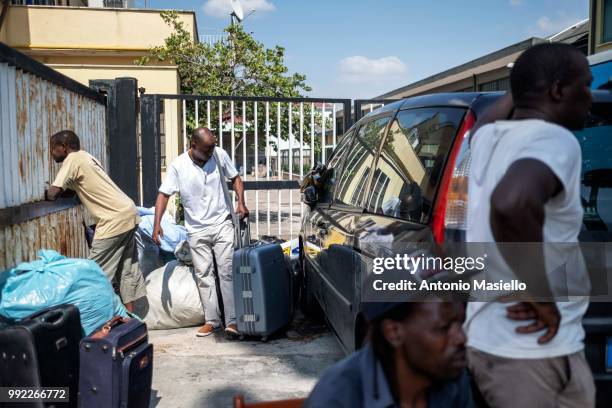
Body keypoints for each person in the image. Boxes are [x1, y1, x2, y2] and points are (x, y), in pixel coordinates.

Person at [466, 43, 595, 407]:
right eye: (583, 85)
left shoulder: (487, 137)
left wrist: (526, 80)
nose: (589, 97)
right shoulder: (554, 139)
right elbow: (512, 202)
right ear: (556, 90)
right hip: (529, 352)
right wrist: (539, 295)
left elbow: (501, 110)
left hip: (525, 346)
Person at [153, 127, 248, 337]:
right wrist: (156, 223)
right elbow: (164, 194)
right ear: (193, 146)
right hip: (196, 229)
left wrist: (241, 203)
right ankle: (212, 321)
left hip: (222, 223)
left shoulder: (219, 154)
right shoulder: (178, 165)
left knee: (226, 271)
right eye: (207, 149)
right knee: (204, 275)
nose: (211, 151)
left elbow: (236, 178)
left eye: (213, 146)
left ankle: (232, 321)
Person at [45, 130, 145, 312]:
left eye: (53, 149)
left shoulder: (72, 159)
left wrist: (44, 193)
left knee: (93, 272)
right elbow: (77, 188)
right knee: (126, 267)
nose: (51, 153)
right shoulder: (86, 157)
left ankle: (97, 319)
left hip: (113, 220)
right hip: (128, 213)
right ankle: (130, 316)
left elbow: (53, 193)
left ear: (63, 147)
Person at [306, 300, 473, 407]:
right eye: (443, 328)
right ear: (393, 332)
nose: (462, 338)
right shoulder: (337, 397)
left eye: (460, 323)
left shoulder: (454, 379)